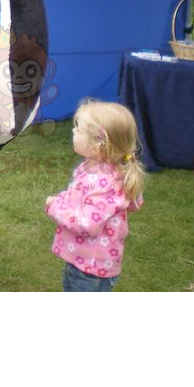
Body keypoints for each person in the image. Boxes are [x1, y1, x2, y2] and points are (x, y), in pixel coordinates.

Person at [45, 99, 145, 292]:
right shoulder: (103, 168)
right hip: (90, 262)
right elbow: (132, 202)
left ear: (98, 144)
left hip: (89, 270)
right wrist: (64, 199)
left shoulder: (103, 182)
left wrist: (54, 206)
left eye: (78, 128)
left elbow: (86, 225)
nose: (73, 131)